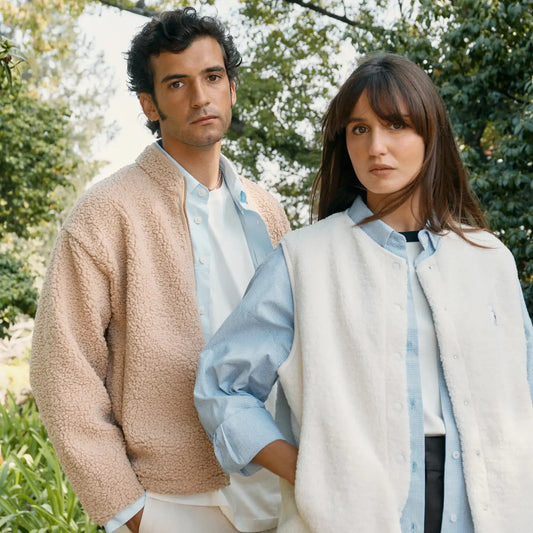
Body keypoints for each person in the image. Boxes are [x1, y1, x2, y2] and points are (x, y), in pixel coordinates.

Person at [194, 52, 533, 533]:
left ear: (430, 134)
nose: (376, 147)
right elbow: (221, 388)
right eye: (359, 129)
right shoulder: (304, 259)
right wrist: (313, 475)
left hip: (490, 509)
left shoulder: (489, 258)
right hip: (351, 514)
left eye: (396, 125)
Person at [30, 7, 289, 533]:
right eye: (177, 83)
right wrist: (129, 510)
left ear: (232, 88)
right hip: (173, 501)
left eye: (212, 77)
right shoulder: (104, 213)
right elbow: (62, 370)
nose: (200, 97)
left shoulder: (268, 210)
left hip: (277, 485)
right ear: (149, 103)